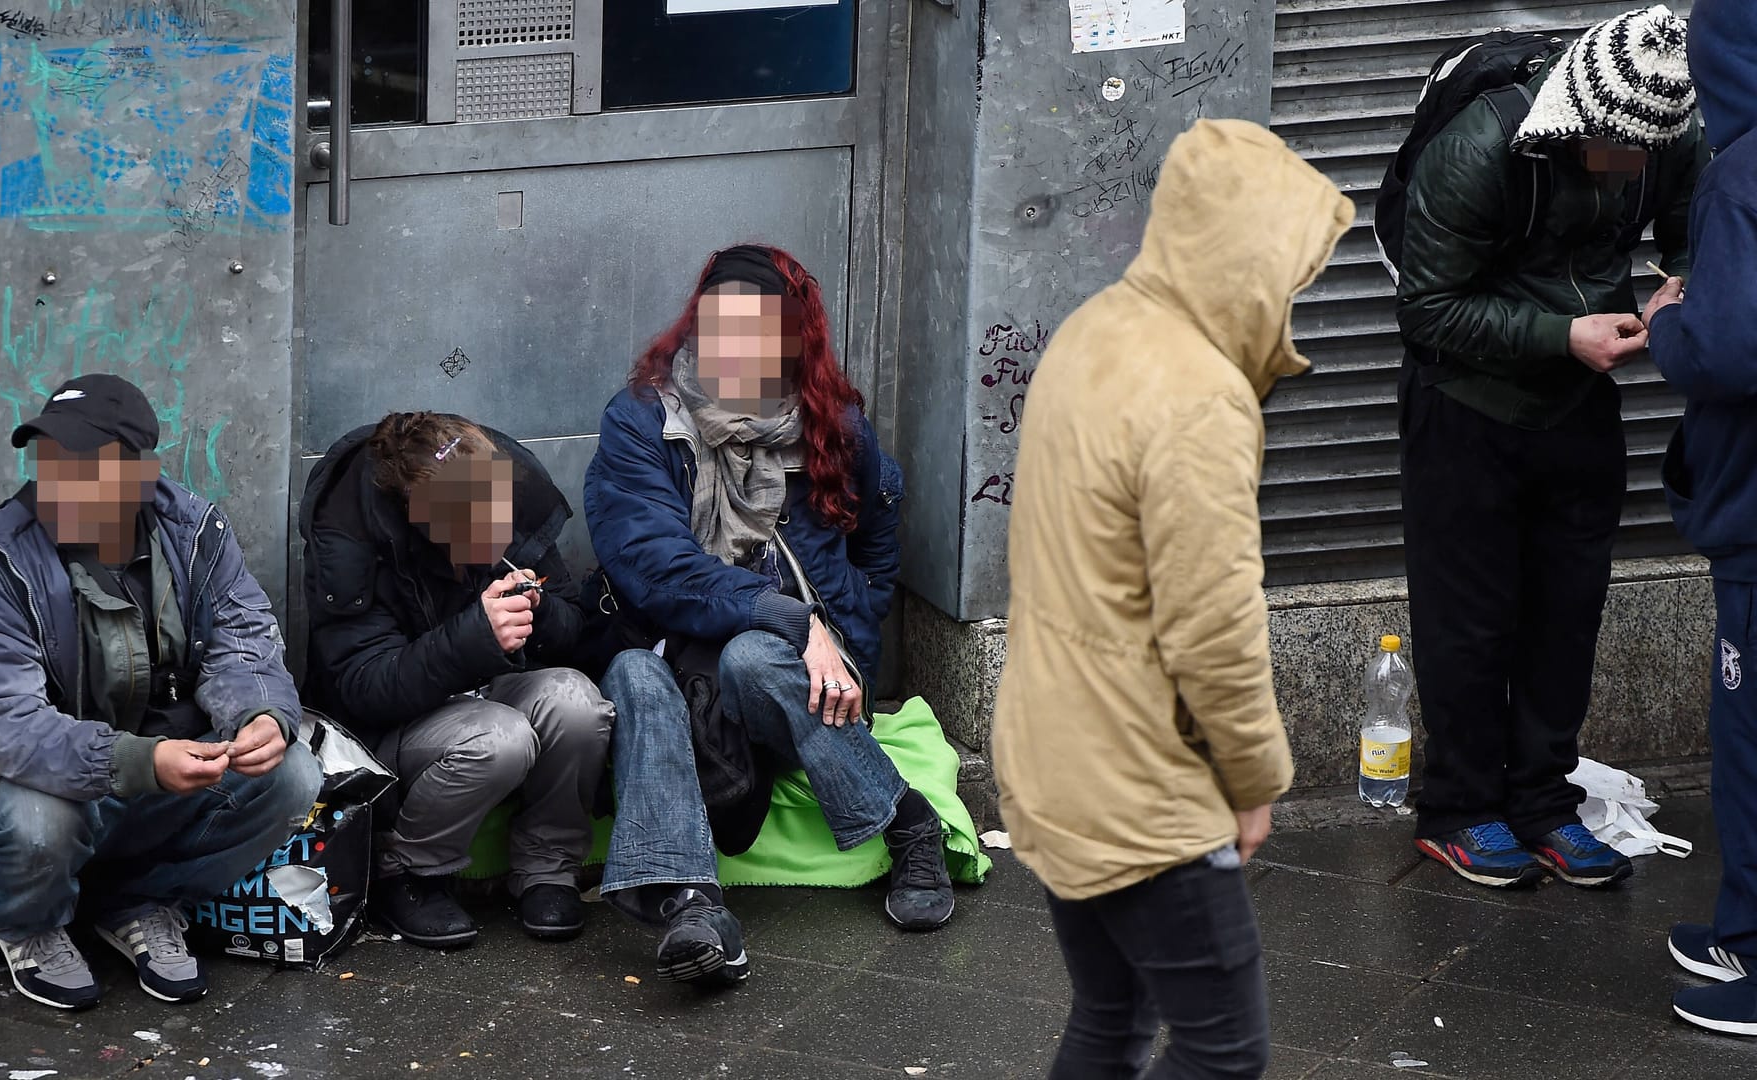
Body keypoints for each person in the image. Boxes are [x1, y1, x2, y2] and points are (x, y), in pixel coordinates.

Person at [993, 119, 1348, 1079]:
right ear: (1247, 256)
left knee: (1110, 1019)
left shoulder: (1095, 326)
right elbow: (1214, 630)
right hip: (1137, 777)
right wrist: (1254, 780)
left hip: (1053, 745)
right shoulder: (1199, 398)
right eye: (1291, 275)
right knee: (1222, 1052)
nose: (1294, 300)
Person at [1395, 5, 1706, 889]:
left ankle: (1541, 800)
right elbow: (1427, 311)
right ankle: (1458, 810)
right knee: (1471, 620)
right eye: (1614, 150)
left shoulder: (1660, 129)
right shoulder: (1484, 148)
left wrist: (1678, 284)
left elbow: (1692, 220)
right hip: (1465, 402)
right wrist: (1561, 336)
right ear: (1575, 114)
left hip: (1576, 407)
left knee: (1567, 613)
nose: (1630, 167)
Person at [582, 242, 939, 988]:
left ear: (790, 338)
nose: (733, 346)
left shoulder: (829, 424)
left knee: (751, 656)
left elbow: (879, 528)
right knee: (629, 671)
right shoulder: (643, 422)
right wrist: (790, 618)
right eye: (718, 326)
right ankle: (692, 904)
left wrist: (851, 629)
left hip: (795, 675)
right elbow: (655, 567)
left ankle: (907, 823)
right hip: (679, 658)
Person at [0, 374, 322, 1011]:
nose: (58, 482)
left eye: (84, 466)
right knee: (37, 820)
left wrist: (261, 714)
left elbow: (244, 637)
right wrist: (136, 761)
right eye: (48, 463)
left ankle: (142, 899)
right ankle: (27, 923)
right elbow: (11, 726)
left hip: (168, 766)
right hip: (47, 777)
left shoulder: (195, 531)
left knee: (292, 772)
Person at [300, 412, 613, 946]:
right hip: (394, 724)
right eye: (475, 528)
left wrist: (538, 610)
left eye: (499, 516)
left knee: (576, 703)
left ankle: (546, 867)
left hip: (480, 685)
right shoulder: (351, 539)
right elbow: (362, 687)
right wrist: (476, 638)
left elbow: (571, 626)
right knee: (501, 738)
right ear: (422, 519)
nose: (496, 537)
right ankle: (408, 873)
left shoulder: (501, 492)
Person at [1640, 0, 1757, 1038]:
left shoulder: (1741, 176)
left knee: (1752, 737)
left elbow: (1727, 351)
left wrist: (1673, 317)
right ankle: (1743, 924)